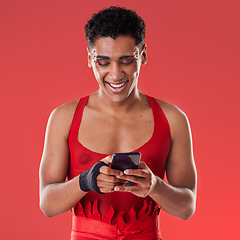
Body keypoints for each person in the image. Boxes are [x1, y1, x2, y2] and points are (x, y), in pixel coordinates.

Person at [39, 6, 197, 240]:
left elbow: (187, 208)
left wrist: (154, 186)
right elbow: (47, 205)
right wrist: (84, 181)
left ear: (142, 54)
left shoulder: (173, 119)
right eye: (103, 62)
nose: (115, 74)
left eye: (126, 60)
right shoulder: (64, 118)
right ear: (90, 58)